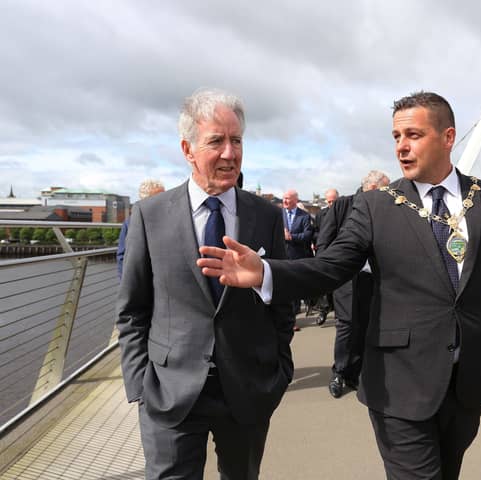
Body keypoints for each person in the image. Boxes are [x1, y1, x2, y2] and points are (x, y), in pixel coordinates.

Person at [198, 91, 481, 479]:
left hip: (468, 382)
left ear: (448, 137)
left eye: (413, 135)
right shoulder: (376, 206)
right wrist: (267, 273)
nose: (401, 147)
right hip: (397, 383)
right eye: (396, 137)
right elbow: (332, 267)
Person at [117, 88, 295, 480]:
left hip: (248, 388)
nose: (230, 153)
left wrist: (279, 370)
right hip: (169, 391)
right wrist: (140, 386)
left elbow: (282, 299)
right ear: (188, 149)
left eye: (237, 141)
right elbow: (132, 309)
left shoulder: (265, 216)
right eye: (217, 141)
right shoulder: (150, 216)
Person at [317, 171, 389, 398]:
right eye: (384, 190)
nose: (388, 195)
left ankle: (355, 373)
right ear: (372, 188)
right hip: (346, 277)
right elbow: (324, 242)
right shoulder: (342, 206)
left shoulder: (384, 208)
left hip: (371, 278)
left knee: (365, 325)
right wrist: (328, 273)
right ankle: (339, 372)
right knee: (347, 325)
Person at [116, 179, 165, 279]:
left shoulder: (172, 218)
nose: (164, 200)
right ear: (146, 200)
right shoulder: (130, 223)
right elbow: (122, 255)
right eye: (160, 197)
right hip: (141, 278)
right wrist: (125, 284)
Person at [281, 188, 314, 330]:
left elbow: (307, 236)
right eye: (284, 198)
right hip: (281, 256)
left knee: (293, 289)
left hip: (297, 257)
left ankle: (292, 320)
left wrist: (291, 237)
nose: (285, 201)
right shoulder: (277, 214)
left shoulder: (304, 216)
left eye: (288, 198)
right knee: (282, 289)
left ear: (295, 200)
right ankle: (284, 318)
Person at [309, 188, 339, 325]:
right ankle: (323, 310)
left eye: (334, 201)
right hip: (324, 251)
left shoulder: (346, 212)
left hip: (340, 250)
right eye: (329, 201)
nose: (331, 204)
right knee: (322, 281)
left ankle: (339, 311)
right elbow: (314, 232)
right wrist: (322, 237)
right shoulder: (321, 214)